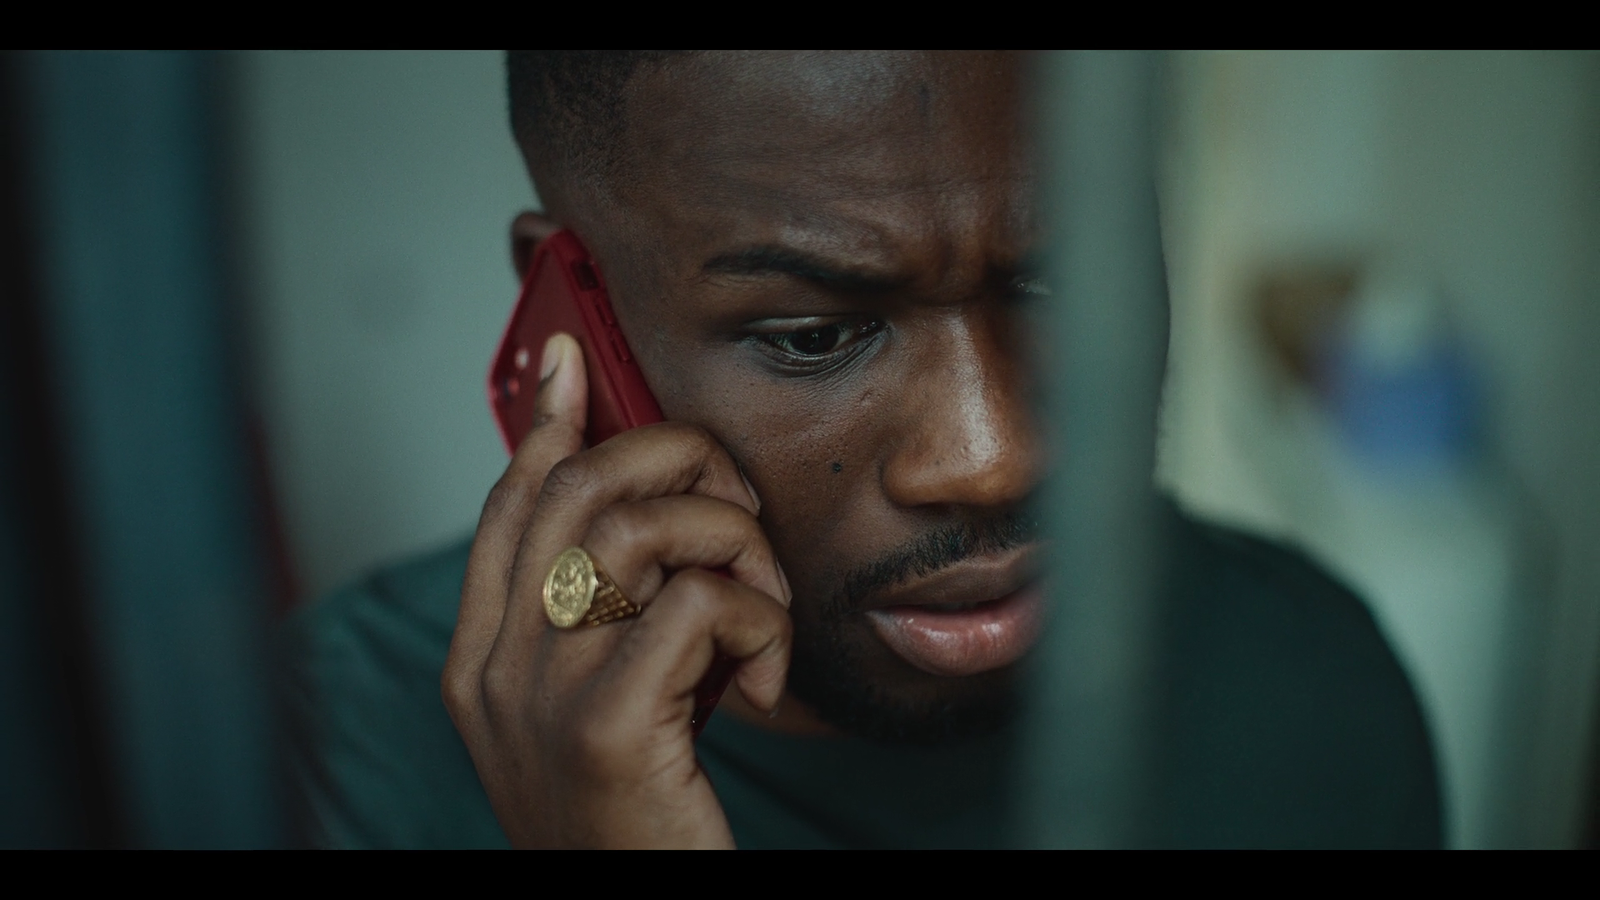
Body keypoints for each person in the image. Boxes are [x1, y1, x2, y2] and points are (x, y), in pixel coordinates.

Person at [283, 51, 1441, 849]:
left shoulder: (1313, 688)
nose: (988, 459)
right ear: (575, 326)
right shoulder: (337, 759)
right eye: (814, 336)